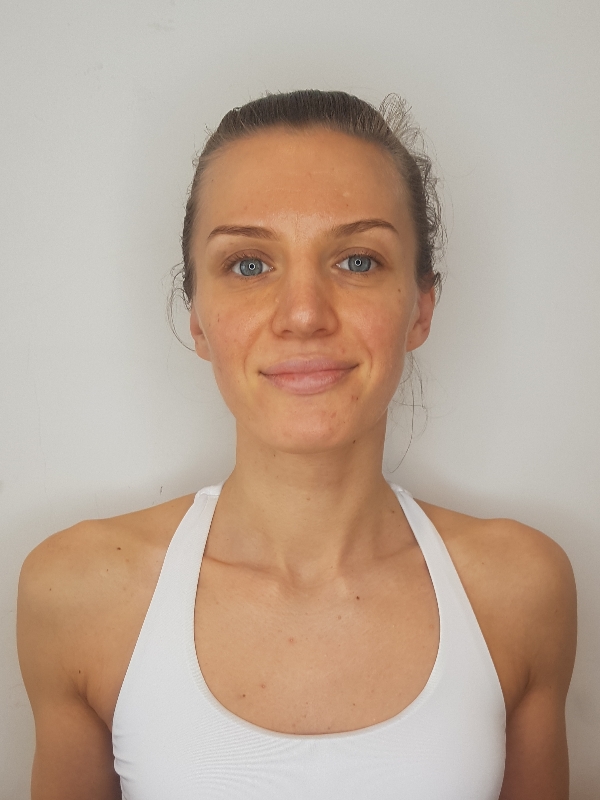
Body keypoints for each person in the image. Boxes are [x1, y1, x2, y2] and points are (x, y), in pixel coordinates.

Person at [17, 90, 576, 800]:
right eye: (249, 265)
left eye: (358, 261)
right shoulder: (77, 591)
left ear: (421, 307)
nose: (305, 314)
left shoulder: (520, 588)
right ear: (198, 319)